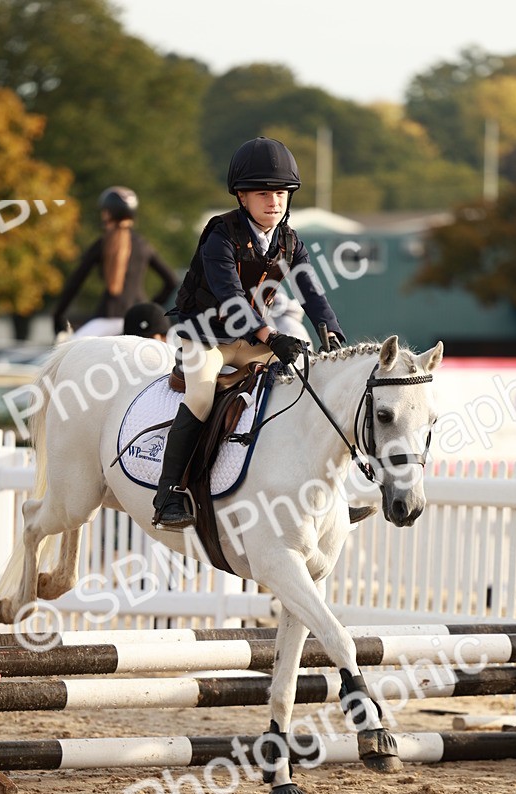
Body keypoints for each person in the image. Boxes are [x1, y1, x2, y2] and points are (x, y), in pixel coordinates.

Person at [152, 136, 346, 530]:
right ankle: (168, 494)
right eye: (263, 193)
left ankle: (329, 495)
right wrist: (271, 336)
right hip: (204, 337)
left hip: (251, 341)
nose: (274, 202)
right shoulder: (219, 234)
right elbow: (230, 297)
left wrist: (332, 333)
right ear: (242, 197)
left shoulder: (290, 242)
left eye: (281, 193)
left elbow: (313, 294)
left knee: (305, 385)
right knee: (202, 397)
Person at [52, 187, 178, 339]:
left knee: (69, 354)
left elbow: (75, 282)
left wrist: (58, 315)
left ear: (108, 213)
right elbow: (171, 281)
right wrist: (148, 307)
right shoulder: (143, 245)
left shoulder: (102, 244)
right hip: (140, 320)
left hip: (108, 317)